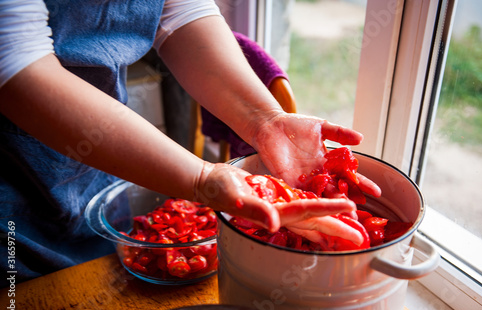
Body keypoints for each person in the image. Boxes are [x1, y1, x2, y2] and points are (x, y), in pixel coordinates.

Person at [0, 0, 380, 286]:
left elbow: (179, 10)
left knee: (90, 279)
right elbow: (16, 67)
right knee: (24, 305)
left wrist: (267, 121)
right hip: (9, 189)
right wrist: (201, 179)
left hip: (88, 160)